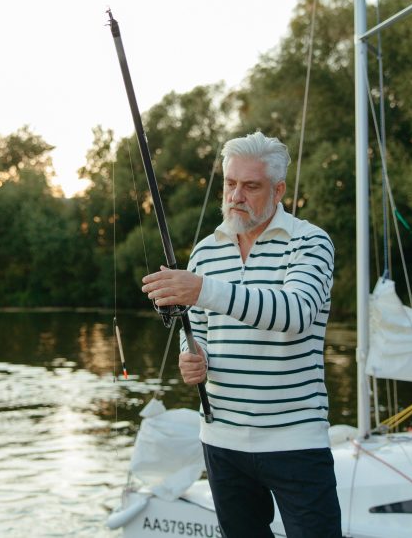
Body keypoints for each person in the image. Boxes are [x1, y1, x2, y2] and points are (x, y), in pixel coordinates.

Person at [141, 131, 341, 538]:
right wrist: (193, 355)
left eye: (251, 186)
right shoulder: (205, 251)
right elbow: (197, 328)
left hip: (294, 438)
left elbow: (296, 312)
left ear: (279, 189)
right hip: (222, 439)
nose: (236, 195)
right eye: (230, 184)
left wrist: (202, 289)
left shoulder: (310, 242)